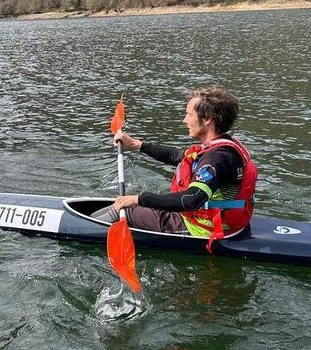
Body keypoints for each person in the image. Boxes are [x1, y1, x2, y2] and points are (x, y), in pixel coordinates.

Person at [94, 86, 258, 251]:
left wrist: (139, 199)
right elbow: (177, 157)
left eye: (189, 115)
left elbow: (192, 199)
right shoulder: (223, 146)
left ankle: (77, 227)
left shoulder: (216, 159)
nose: (184, 120)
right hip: (225, 222)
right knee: (122, 204)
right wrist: (138, 145)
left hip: (201, 230)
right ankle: (92, 218)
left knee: (127, 210)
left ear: (208, 119)